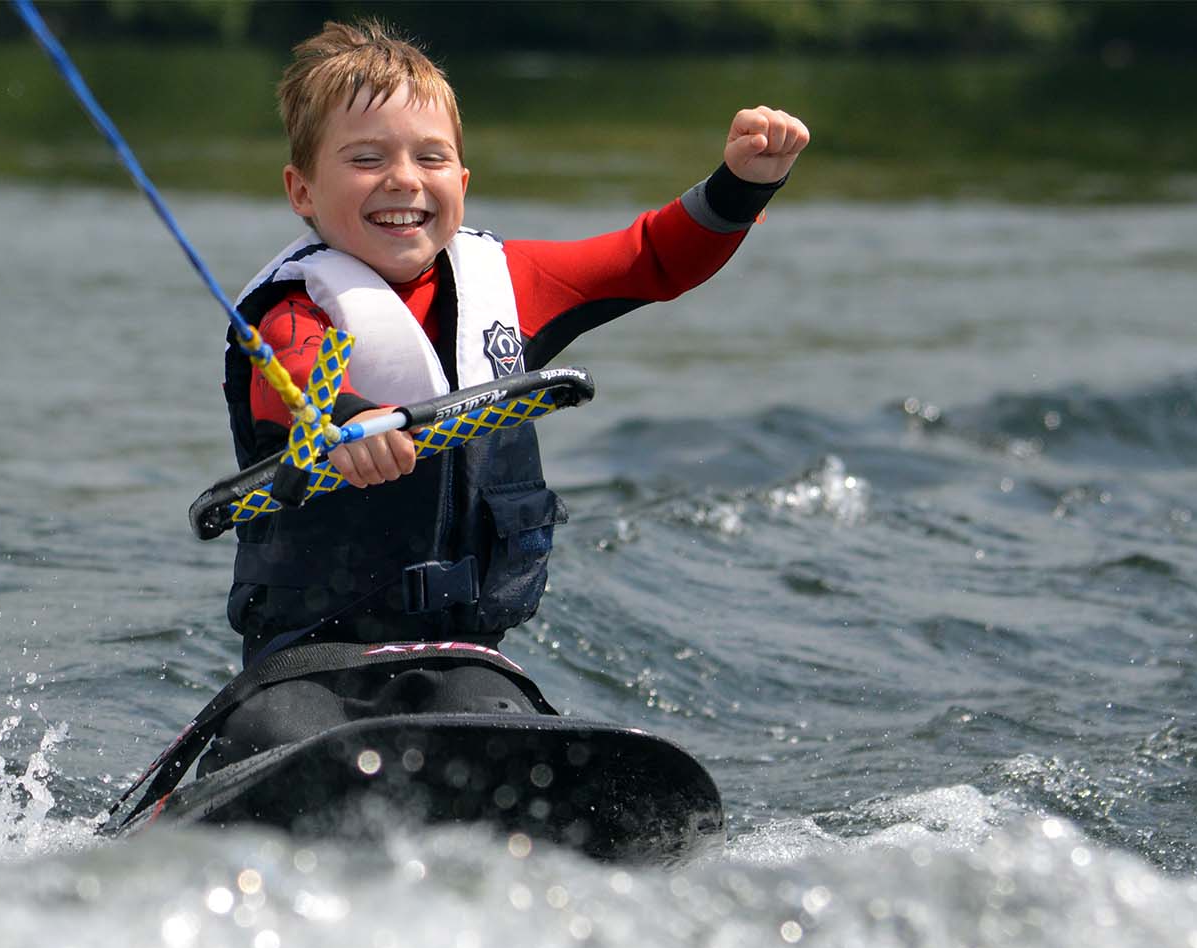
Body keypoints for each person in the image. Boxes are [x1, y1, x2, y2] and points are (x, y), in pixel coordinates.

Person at [198, 19, 807, 772]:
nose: (403, 179)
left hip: (462, 654)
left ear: (462, 182)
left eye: (431, 157)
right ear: (302, 191)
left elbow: (650, 258)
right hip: (306, 659)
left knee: (492, 725)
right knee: (281, 737)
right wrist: (350, 423)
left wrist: (741, 184)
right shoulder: (291, 312)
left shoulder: (509, 287)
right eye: (365, 159)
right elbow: (301, 385)